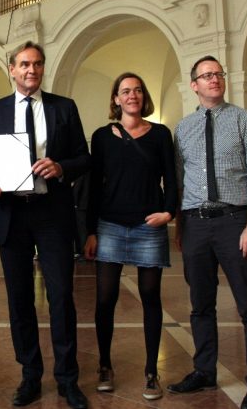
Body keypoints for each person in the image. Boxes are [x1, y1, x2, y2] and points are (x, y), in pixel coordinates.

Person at [0, 41, 91, 409]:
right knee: (19, 300)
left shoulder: (64, 107)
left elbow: (83, 158)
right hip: (12, 213)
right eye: (25, 64)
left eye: (38, 64)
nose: (32, 70)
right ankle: (30, 376)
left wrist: (61, 167)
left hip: (52, 212)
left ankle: (67, 378)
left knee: (61, 297)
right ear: (11, 69)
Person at [168, 55, 247, 409]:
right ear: (194, 85)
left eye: (218, 74)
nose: (214, 79)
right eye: (206, 75)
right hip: (195, 224)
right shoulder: (183, 128)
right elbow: (180, 182)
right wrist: (181, 227)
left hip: (235, 222)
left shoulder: (244, 120)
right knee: (200, 305)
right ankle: (204, 370)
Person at [83, 72, 177, 400]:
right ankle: (105, 366)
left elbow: (172, 176)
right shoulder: (102, 136)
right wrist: (91, 231)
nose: (132, 95)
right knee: (106, 298)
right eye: (125, 91)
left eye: (137, 89)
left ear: (143, 96)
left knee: (151, 297)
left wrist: (169, 212)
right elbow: (94, 186)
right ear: (116, 99)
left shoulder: (161, 134)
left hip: (148, 225)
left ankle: (151, 371)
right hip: (109, 224)